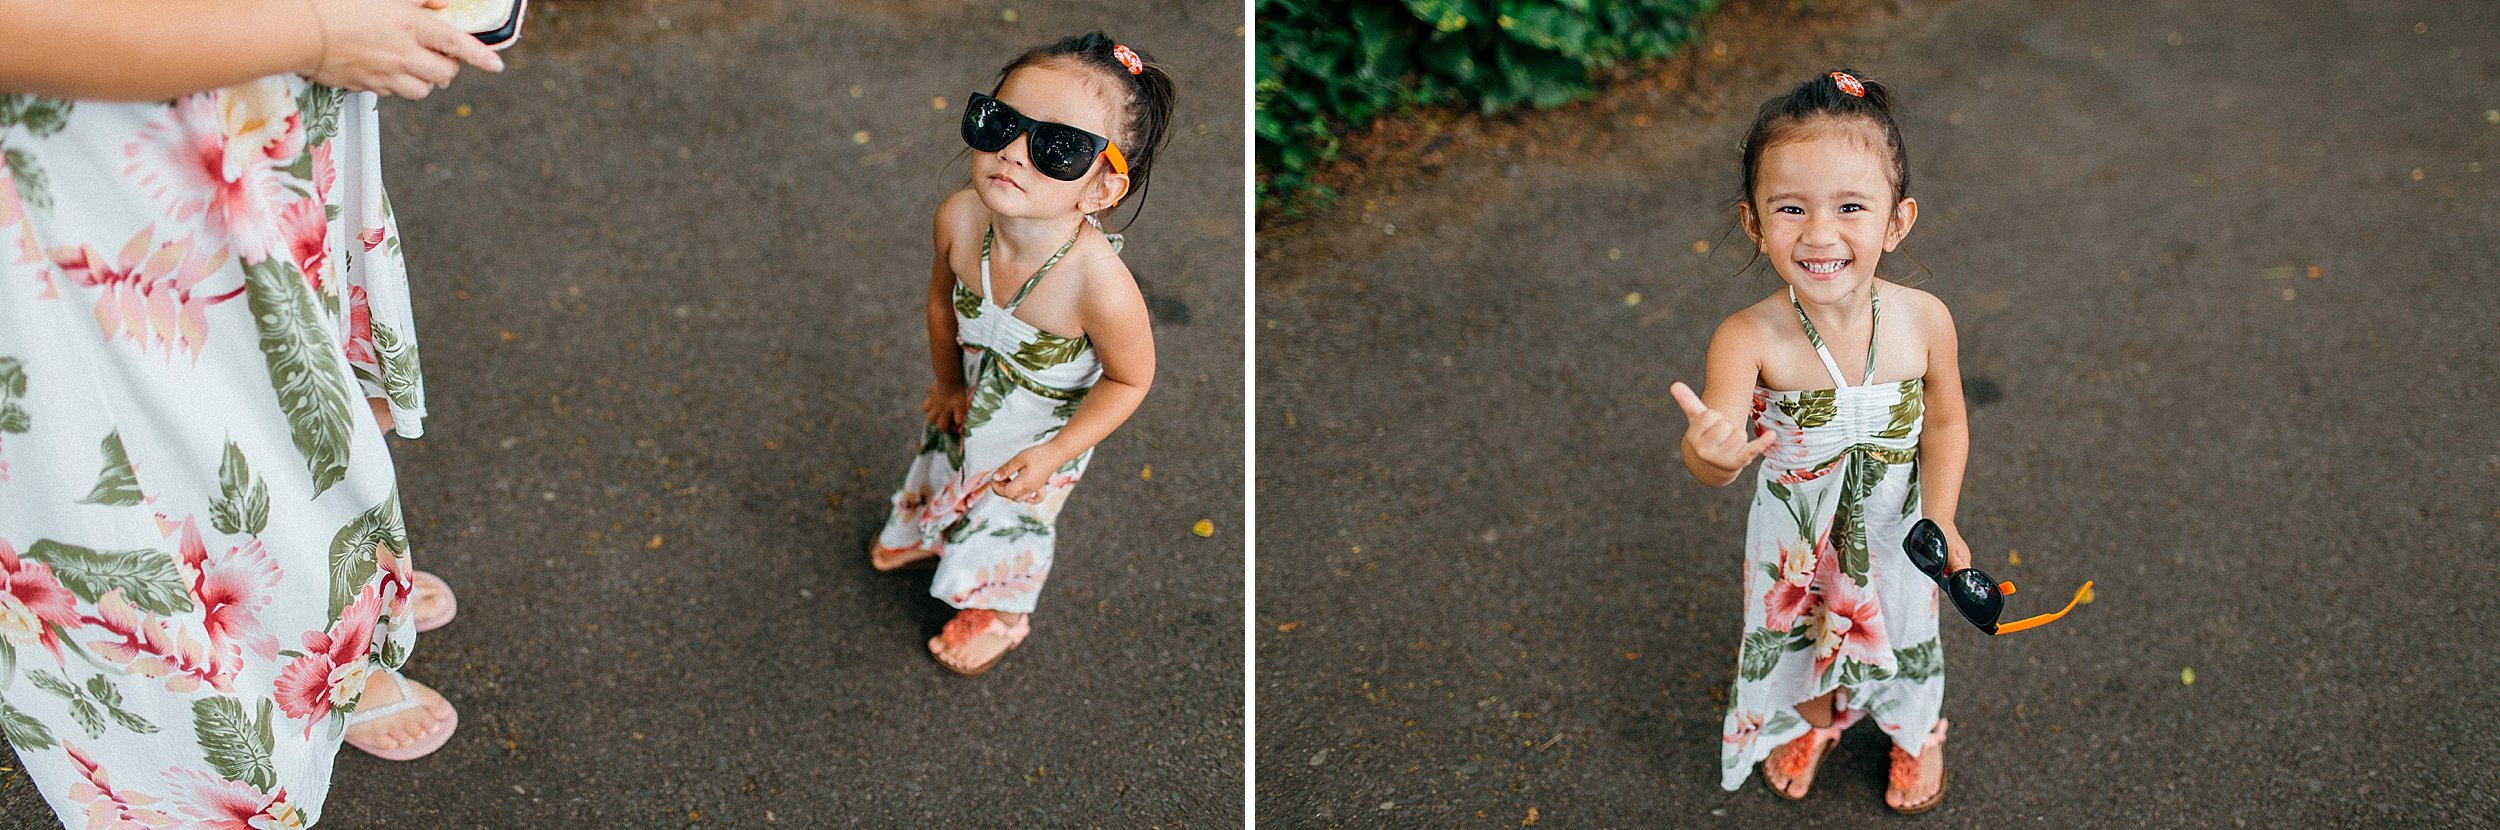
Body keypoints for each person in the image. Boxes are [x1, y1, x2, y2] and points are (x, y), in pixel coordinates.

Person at [0, 0, 500, 825]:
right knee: (189, 440)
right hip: (95, 163)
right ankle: (307, 657)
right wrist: (317, 35)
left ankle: (341, 608)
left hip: (240, 103)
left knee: (297, 385)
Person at [1670, 69, 1967, 814]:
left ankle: (1914, 731)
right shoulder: (1747, 336)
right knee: (1805, 641)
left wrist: (1947, 514)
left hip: (1898, 529)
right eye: (1791, 208)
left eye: (1851, 207)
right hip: (1796, 544)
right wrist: (1709, 452)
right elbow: (1715, 448)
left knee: (1904, 632)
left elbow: (1949, 421)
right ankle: (1819, 720)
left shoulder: (1924, 320)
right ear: (1754, 221)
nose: (1820, 233)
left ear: (1897, 222)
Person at [868, 32, 1173, 677]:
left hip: (1038, 437)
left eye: (1059, 147)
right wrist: (949, 385)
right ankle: (933, 532)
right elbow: (939, 307)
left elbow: (1130, 380)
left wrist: (1055, 454)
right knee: (947, 461)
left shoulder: (1099, 288)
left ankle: (1003, 615)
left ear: (1099, 190)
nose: (1012, 150)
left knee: (1009, 521)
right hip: (972, 396)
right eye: (1000, 121)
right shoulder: (958, 218)